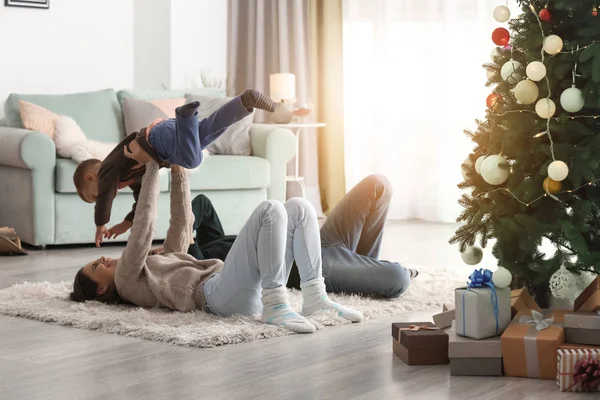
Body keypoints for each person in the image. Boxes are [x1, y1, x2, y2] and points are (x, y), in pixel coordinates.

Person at [69, 157, 363, 334]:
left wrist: (177, 169)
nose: (104, 259)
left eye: (99, 259)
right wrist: (148, 169)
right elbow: (144, 224)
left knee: (298, 206)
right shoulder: (126, 280)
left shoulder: (153, 267)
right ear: (101, 289)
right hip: (217, 296)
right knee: (270, 209)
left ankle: (315, 297)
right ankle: (274, 304)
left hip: (235, 287)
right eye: (97, 266)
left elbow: (181, 223)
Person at [155, 175, 418, 299]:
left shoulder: (204, 244)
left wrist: (177, 237)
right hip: (304, 264)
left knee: (378, 185)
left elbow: (201, 203)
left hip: (315, 237)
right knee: (398, 278)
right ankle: (366, 272)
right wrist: (182, 251)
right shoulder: (195, 267)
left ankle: (360, 270)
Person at [73, 89, 275, 247]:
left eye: (93, 197)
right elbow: (141, 199)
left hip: (158, 138)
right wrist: (126, 223)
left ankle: (186, 118)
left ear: (91, 177)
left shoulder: (108, 166)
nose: (98, 199)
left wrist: (100, 224)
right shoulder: (127, 176)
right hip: (167, 136)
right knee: (207, 132)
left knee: (192, 161)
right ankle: (244, 102)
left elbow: (106, 192)